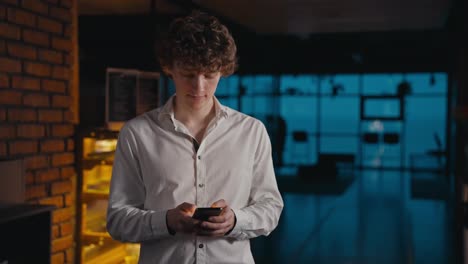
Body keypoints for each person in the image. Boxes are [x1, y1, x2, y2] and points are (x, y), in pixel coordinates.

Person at [106, 11, 284, 264]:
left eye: (210, 75)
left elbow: (271, 208)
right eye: (189, 74)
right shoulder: (136, 134)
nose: (199, 87)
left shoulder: (251, 131)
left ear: (222, 71)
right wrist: (166, 220)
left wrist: (235, 220)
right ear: (169, 68)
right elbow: (118, 221)